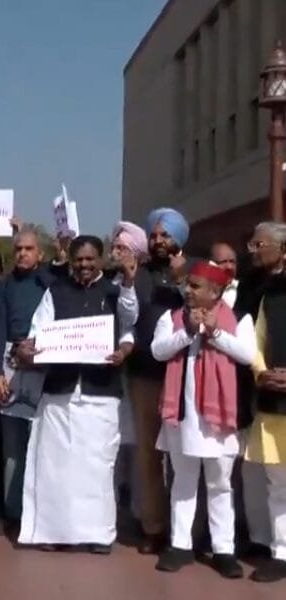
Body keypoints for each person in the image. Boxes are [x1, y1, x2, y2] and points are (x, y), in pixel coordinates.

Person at [15, 236, 138, 553]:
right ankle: (54, 533)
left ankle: (98, 535)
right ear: (70, 260)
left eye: (90, 259)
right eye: (78, 260)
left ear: (100, 260)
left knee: (97, 466)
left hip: (101, 392)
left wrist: (124, 351)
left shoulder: (115, 293)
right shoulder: (55, 291)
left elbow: (128, 328)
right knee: (56, 466)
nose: (84, 265)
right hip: (60, 390)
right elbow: (38, 331)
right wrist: (29, 347)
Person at [150, 262, 253, 579]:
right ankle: (180, 545)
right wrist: (189, 333)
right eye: (188, 285)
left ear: (216, 291)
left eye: (196, 286)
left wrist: (216, 332)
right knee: (182, 481)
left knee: (220, 484)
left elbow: (247, 355)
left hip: (219, 420)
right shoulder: (172, 317)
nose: (188, 291)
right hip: (182, 417)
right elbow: (158, 351)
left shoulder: (238, 318)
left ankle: (224, 550)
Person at [127, 206, 192, 554]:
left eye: (165, 235)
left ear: (179, 239)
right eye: (154, 234)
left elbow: (204, 309)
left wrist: (183, 281)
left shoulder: (193, 271)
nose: (159, 240)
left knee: (186, 457)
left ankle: (188, 531)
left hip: (187, 377)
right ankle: (154, 527)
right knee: (149, 456)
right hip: (144, 375)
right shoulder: (138, 274)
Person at [0, 228, 51, 537]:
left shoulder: (51, 283)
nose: (23, 253)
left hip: (48, 371)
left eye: (29, 248)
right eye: (19, 248)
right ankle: (13, 513)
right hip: (10, 369)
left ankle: (43, 513)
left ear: (40, 253)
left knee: (45, 447)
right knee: (12, 448)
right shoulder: (2, 287)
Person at [247, 272, 286, 583]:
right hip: (275, 402)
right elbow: (257, 340)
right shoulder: (270, 295)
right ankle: (282, 554)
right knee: (278, 486)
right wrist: (261, 372)